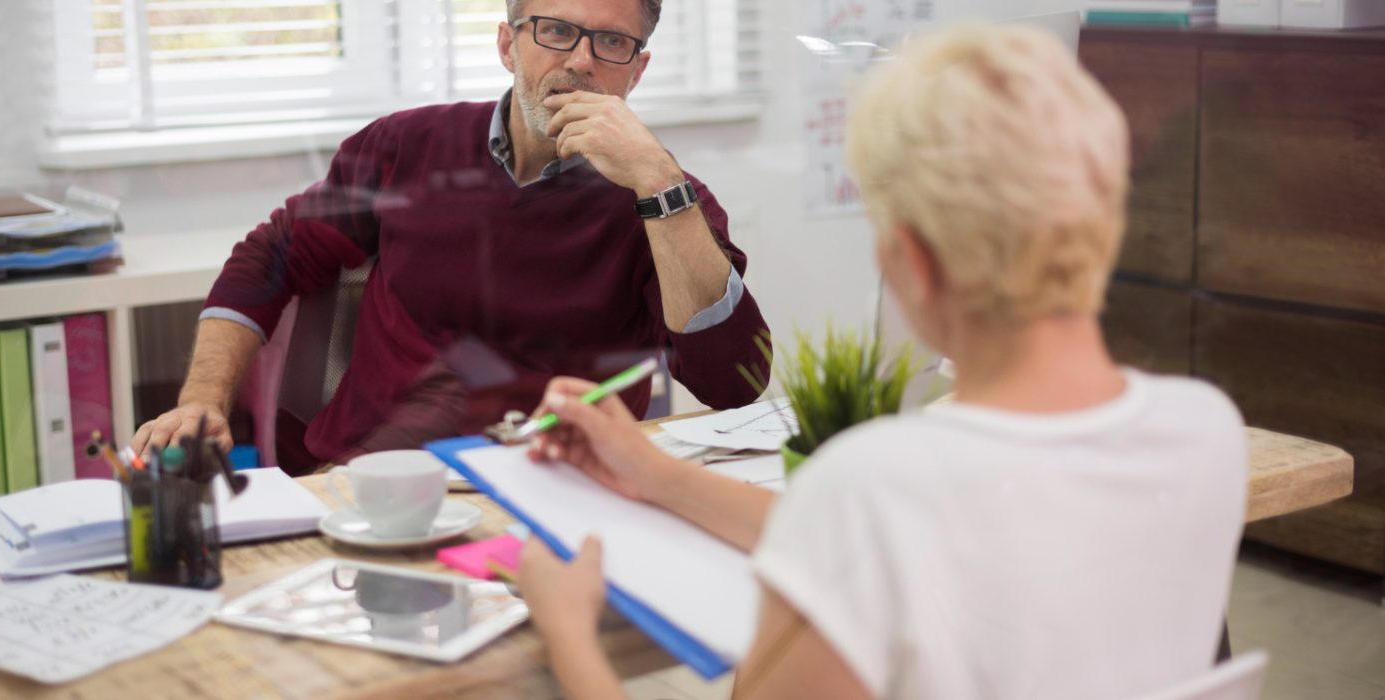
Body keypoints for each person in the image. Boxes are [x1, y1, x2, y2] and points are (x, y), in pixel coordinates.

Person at [515, 24, 1248, 700]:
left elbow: (866, 517)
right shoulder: (1205, 427)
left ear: (914, 263)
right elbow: (869, 527)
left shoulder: (877, 486)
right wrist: (657, 476)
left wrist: (572, 633)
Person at [130, 0, 770, 471]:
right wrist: (201, 400)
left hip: (557, 488)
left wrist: (659, 182)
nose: (580, 62)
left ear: (638, 70)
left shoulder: (666, 199)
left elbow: (735, 384)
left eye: (612, 43)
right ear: (507, 45)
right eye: (554, 31)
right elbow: (269, 259)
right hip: (373, 475)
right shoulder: (405, 146)